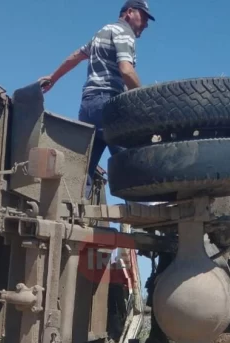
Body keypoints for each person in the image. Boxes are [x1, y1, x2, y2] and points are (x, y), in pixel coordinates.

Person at [39, 0, 155, 197]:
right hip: (110, 105)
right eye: (143, 17)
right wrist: (144, 98)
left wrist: (53, 77)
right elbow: (126, 70)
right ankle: (146, 220)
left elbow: (76, 56)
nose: (146, 24)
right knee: (133, 161)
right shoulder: (124, 33)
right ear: (129, 12)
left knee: (84, 170)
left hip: (88, 107)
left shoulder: (103, 31)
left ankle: (72, 212)